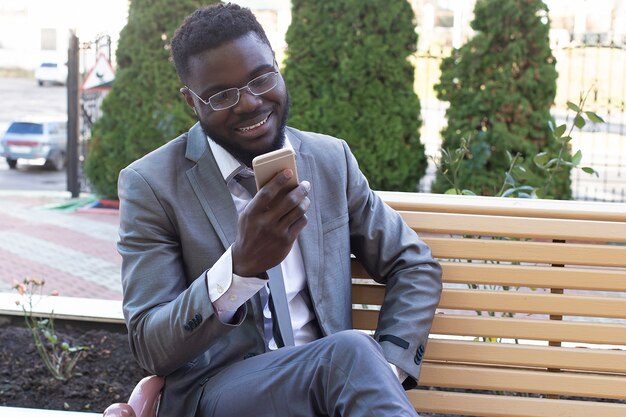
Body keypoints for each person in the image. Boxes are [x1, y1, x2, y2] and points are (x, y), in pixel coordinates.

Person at [117, 3, 442, 417]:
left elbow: (413, 264)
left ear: (277, 65)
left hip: (334, 387)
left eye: (261, 78)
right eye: (221, 95)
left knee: (350, 355)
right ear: (191, 102)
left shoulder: (330, 160)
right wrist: (238, 269)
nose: (250, 103)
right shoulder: (152, 184)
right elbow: (149, 345)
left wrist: (385, 371)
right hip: (218, 395)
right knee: (348, 353)